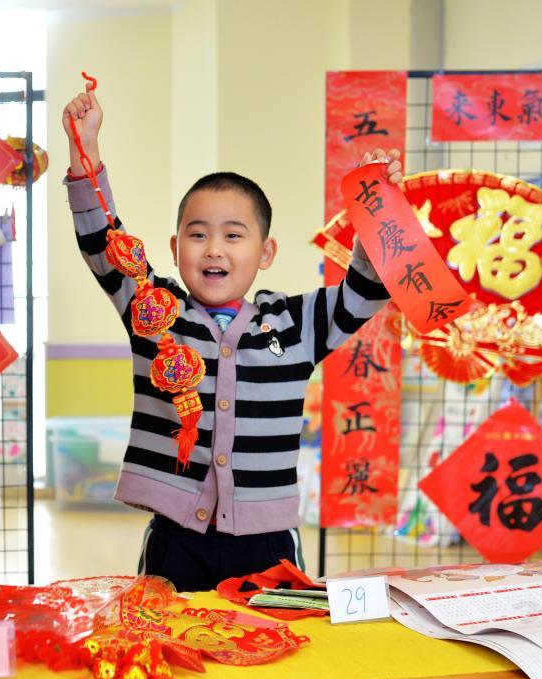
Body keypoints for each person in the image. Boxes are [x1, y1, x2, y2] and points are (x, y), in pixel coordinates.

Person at [61, 84, 400, 593]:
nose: (214, 248)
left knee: (272, 653)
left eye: (234, 235)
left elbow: (364, 292)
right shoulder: (155, 311)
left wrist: (381, 210)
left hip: (267, 544)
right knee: (175, 648)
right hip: (176, 538)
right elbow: (103, 244)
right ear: (176, 248)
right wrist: (84, 152)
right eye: (198, 235)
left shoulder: (295, 323)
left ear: (265, 253)